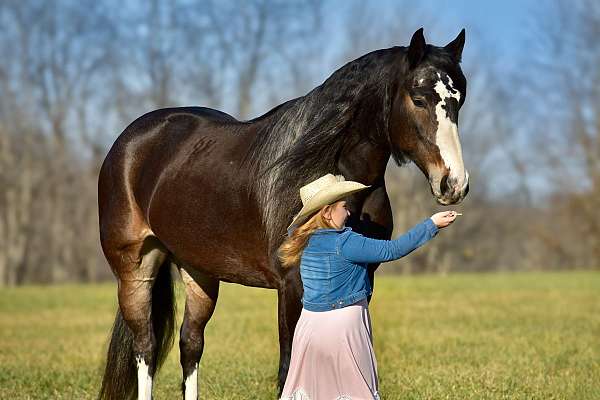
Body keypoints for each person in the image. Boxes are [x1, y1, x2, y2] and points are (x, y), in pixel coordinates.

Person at [278, 173, 458, 400]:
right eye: (344, 206)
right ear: (327, 212)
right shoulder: (346, 242)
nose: (349, 212)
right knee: (355, 391)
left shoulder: (304, 241)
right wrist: (431, 224)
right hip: (343, 328)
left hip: (308, 328)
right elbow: (392, 250)